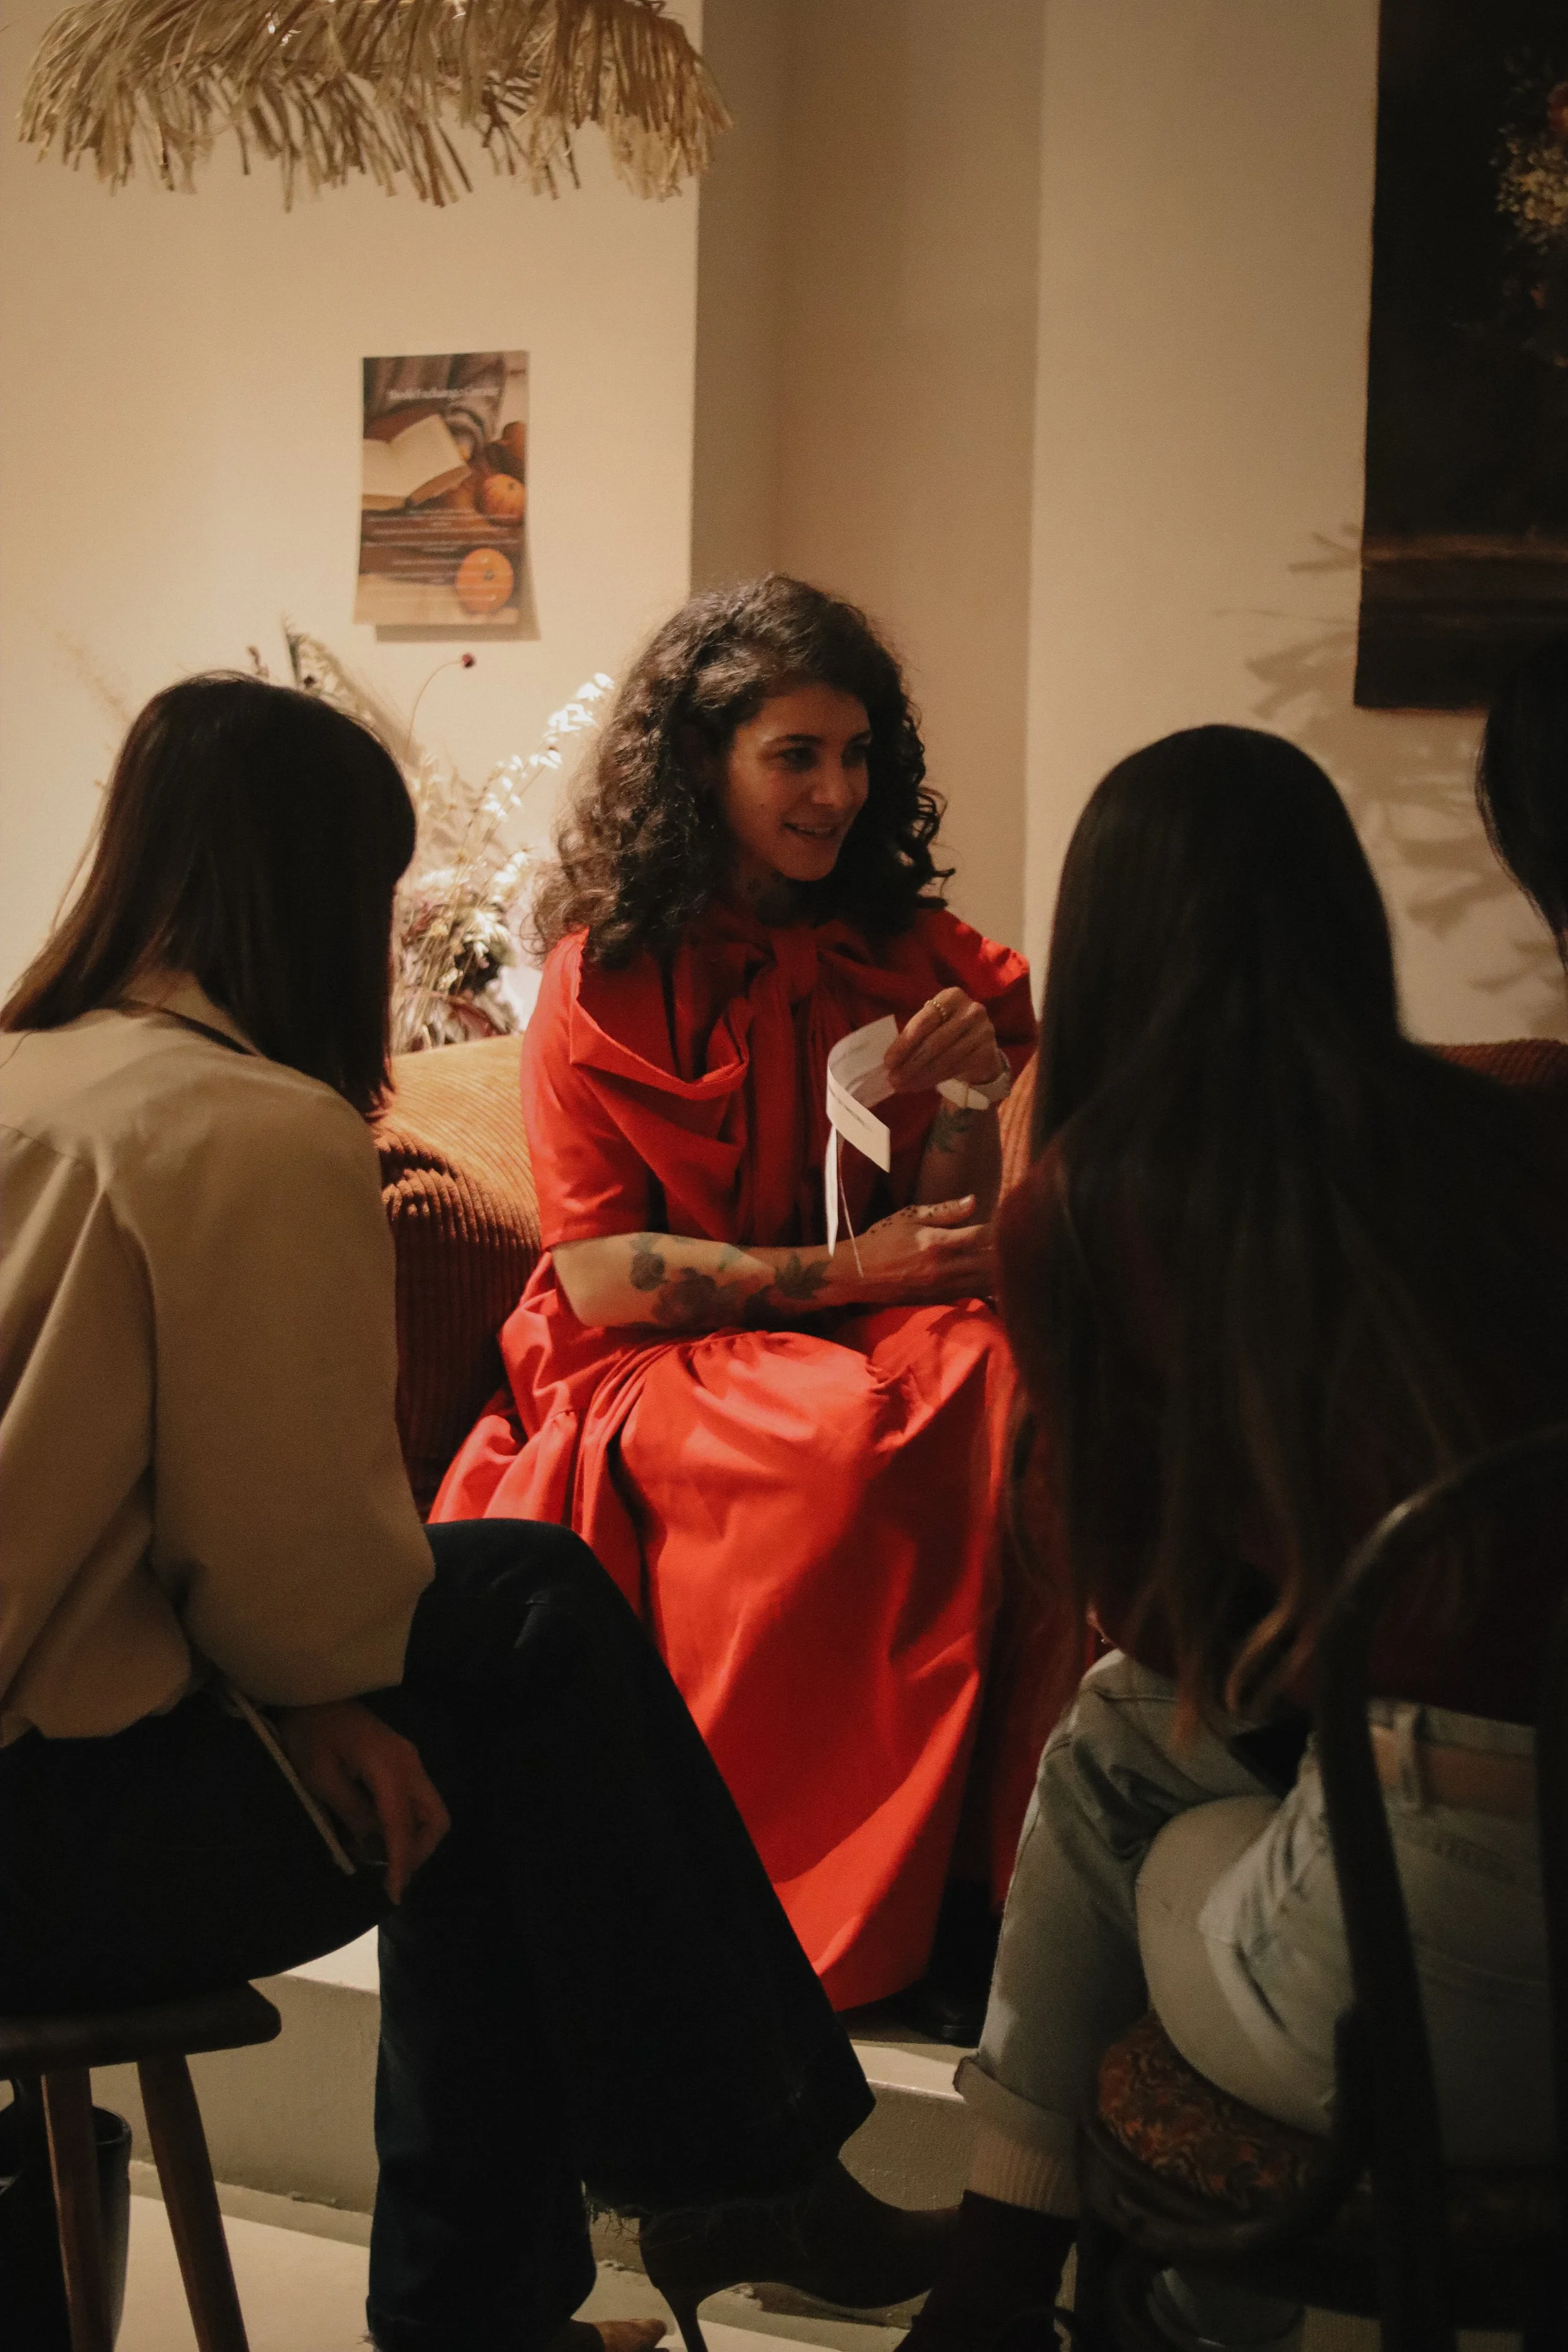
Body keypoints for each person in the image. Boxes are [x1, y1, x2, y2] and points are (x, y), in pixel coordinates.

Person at [0, 675, 952, 2352]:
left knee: (518, 1593)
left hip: (39, 1768)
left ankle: (670, 2201)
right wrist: (322, 1691)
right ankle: (682, 2192)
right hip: (56, 1845)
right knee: (507, 1702)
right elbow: (297, 1590)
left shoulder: (28, 1075)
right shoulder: (256, 1129)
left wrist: (319, 1676)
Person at [899, 726, 1568, 2352]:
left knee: (1142, 1812)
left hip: (1425, 1974)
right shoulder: (1512, 1138)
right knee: (1129, 1738)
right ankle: (1028, 2299)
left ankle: (1009, 2294)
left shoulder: (1093, 1201)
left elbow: (1152, 1618)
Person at [431, 576, 1053, 2029]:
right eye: (795, 756)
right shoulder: (601, 976)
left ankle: (971, 1894)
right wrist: (848, 1277)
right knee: (826, 1433)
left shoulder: (913, 953)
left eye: (857, 755)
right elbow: (601, 1275)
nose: (836, 793)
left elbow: (944, 1223)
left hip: (856, 1313)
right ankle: (784, 1913)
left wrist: (968, 1097)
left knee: (1011, 1384)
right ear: (699, 761)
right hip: (656, 1348)